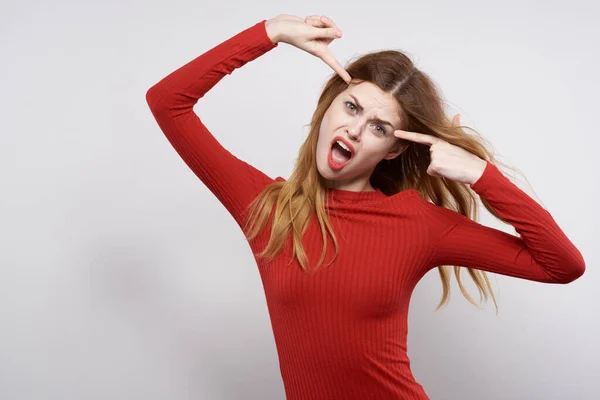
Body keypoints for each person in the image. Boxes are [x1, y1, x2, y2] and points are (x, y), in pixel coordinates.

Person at [145, 13, 585, 400]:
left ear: (393, 149)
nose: (354, 130)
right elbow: (167, 102)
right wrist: (271, 32)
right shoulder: (267, 209)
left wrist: (481, 176)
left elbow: (562, 265)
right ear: (327, 108)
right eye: (351, 107)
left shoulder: (416, 224)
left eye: (379, 127)